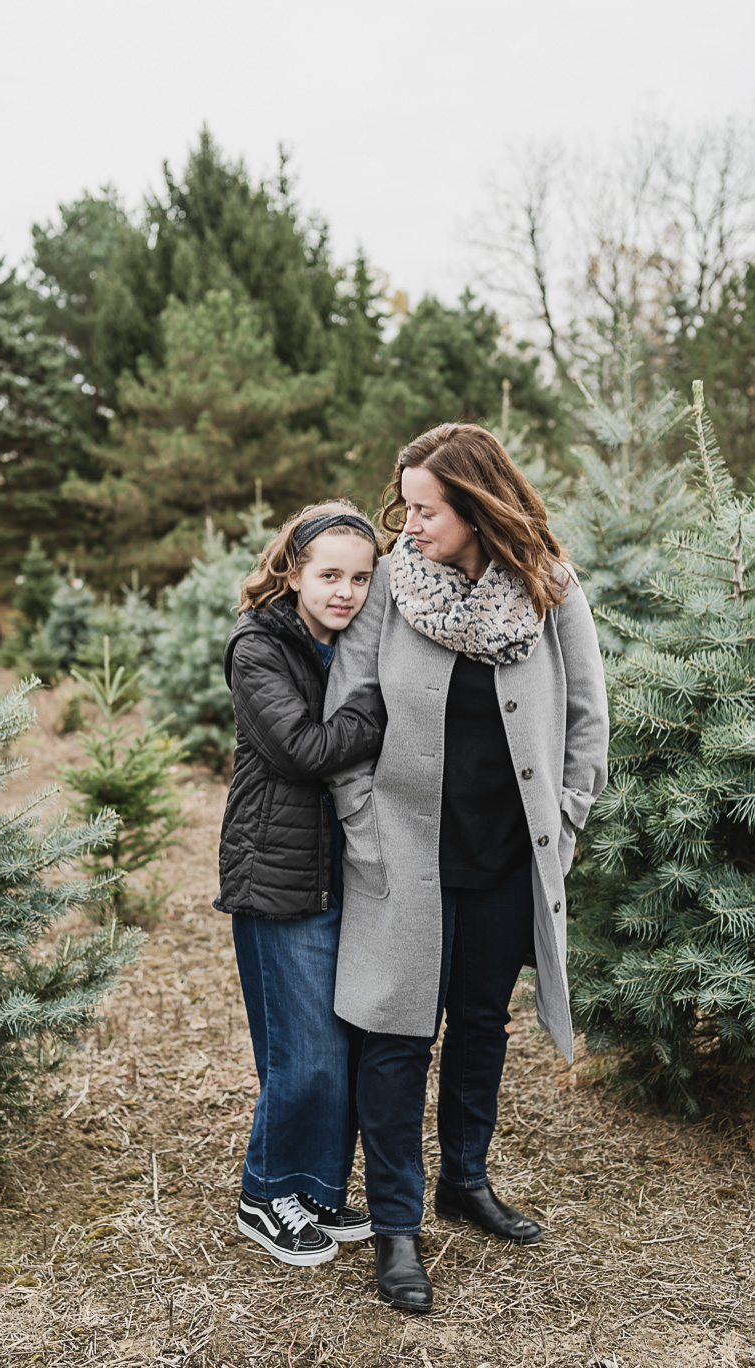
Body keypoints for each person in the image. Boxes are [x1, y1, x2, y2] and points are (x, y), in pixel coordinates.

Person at [324, 424, 609, 1312]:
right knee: (399, 1036)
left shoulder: (550, 591)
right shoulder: (391, 592)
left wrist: (562, 820)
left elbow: (586, 719)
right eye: (404, 506)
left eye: (426, 510)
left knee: (482, 1023)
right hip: (404, 856)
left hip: (507, 857)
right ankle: (397, 1224)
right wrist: (364, 825)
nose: (407, 526)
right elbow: (347, 714)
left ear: (478, 508)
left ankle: (467, 1181)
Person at [213, 500, 386, 1267]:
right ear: (292, 571)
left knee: (343, 1045)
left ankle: (314, 1188)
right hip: (277, 875)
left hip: (343, 870)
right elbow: (304, 748)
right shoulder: (258, 646)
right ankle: (263, 1192)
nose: (345, 591)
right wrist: (387, 709)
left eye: (360, 577)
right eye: (329, 575)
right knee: (303, 1053)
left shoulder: (354, 643)